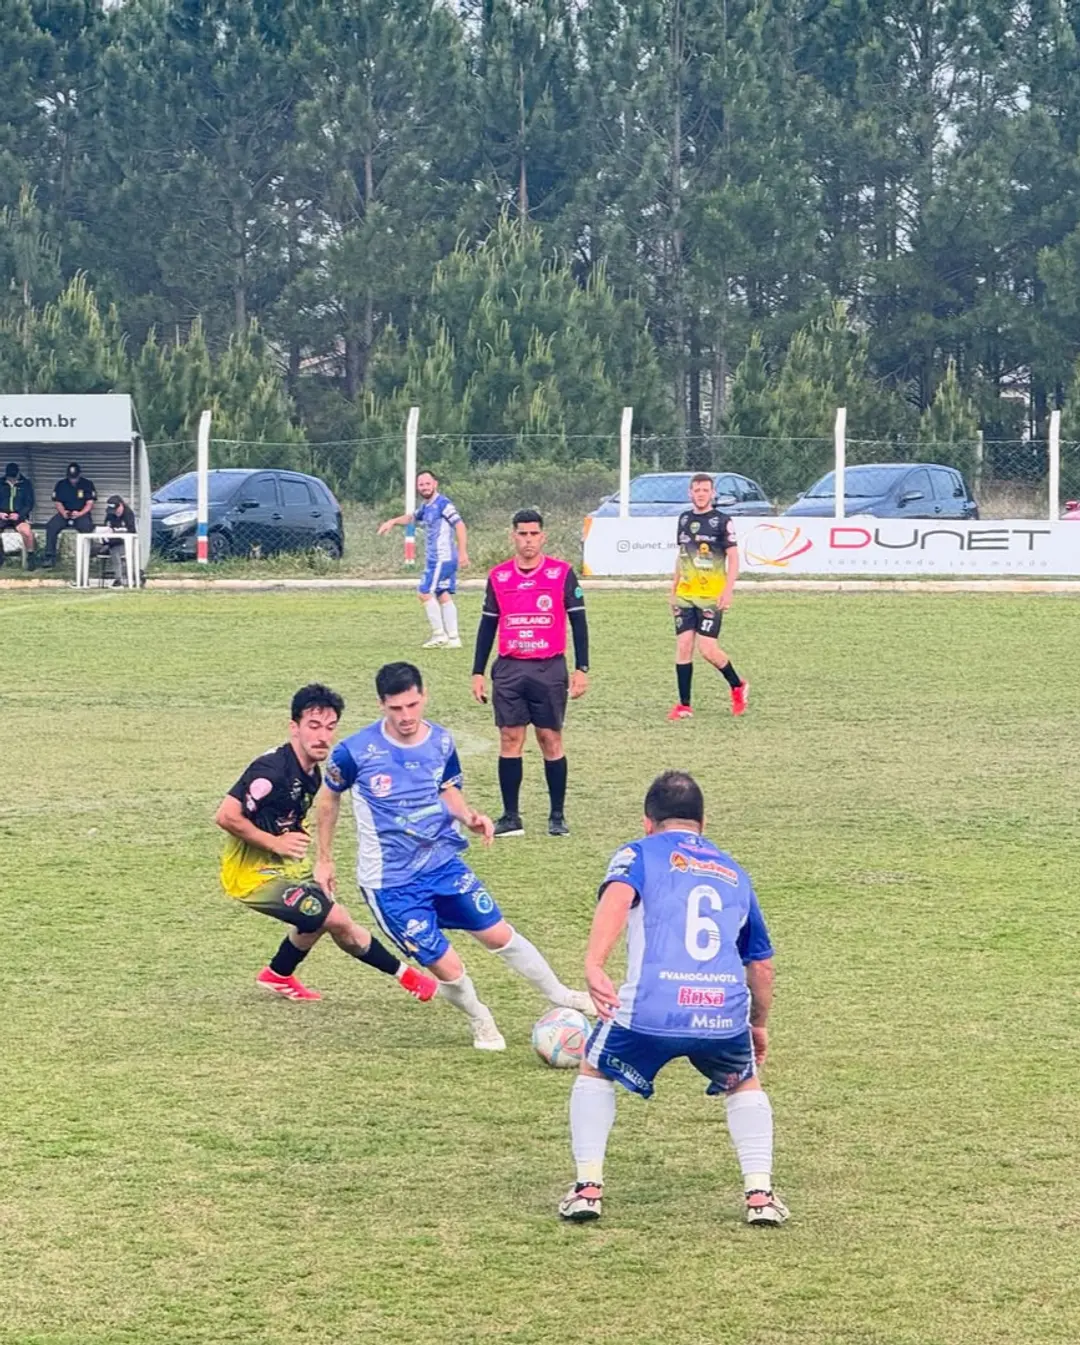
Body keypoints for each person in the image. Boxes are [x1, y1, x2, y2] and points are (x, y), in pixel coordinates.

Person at [314, 661, 593, 1051]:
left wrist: (469, 817)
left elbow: (447, 789)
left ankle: (561, 994)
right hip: (392, 884)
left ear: (424, 696)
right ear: (381, 705)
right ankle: (481, 1018)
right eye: (396, 708)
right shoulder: (354, 752)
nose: (406, 716)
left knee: (499, 934)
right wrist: (324, 858)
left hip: (443, 864)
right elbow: (328, 800)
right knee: (449, 966)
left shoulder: (441, 742)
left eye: (412, 705)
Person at [558, 770, 787, 1228]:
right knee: (744, 1082)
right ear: (703, 822)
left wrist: (594, 962)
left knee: (594, 1068)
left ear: (648, 822)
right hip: (722, 1014)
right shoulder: (735, 871)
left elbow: (618, 896)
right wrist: (758, 1025)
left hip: (651, 1008)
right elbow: (760, 965)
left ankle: (587, 1189)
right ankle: (760, 1196)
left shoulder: (637, 853)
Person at [215, 682, 438, 1004]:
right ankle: (408, 977)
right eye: (314, 726)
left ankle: (278, 974)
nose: (323, 736)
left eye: (330, 727)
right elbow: (226, 816)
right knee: (335, 918)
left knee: (320, 913)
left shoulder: (311, 772)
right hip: (251, 876)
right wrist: (275, 844)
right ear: (294, 727)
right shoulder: (271, 772)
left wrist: (317, 859)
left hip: (285, 866)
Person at [471, 509, 589, 838]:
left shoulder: (562, 573)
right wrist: (477, 671)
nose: (528, 540)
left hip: (549, 667)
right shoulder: (498, 577)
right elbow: (487, 625)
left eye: (534, 534)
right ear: (513, 536)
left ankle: (557, 815)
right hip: (510, 668)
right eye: (522, 534)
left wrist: (582, 668)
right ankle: (511, 816)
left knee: (550, 738)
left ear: (543, 537)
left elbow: (579, 622)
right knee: (510, 738)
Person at [669, 472, 748, 720]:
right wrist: (673, 589)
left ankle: (737, 685)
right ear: (690, 493)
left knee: (708, 649)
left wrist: (728, 590)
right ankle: (684, 705)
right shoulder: (684, 519)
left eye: (705, 490)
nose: (701, 494)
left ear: (712, 493)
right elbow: (681, 556)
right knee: (683, 645)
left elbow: (733, 558)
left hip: (711, 595)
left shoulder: (722, 521)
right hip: (685, 594)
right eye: (697, 490)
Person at [378, 470, 469, 649]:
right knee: (442, 594)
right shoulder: (426, 506)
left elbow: (459, 525)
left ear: (435, 484)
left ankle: (439, 635)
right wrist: (392, 521)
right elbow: (412, 517)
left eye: (428, 483)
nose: (424, 487)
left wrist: (463, 552)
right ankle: (454, 638)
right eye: (421, 484)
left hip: (442, 557)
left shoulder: (443, 504)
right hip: (439, 558)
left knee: (424, 592)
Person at [42, 461, 97, 568]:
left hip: (81, 513)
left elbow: (90, 503)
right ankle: (49, 556)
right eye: (71, 477)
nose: (73, 480)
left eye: (75, 477)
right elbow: (57, 502)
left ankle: (89, 555)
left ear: (79, 475)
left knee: (87, 527)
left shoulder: (87, 484)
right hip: (65, 513)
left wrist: (80, 513)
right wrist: (63, 512)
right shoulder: (61, 484)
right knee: (51, 526)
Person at [0, 460, 36, 569]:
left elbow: (29, 503)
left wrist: (19, 515)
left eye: (13, 477)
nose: (12, 479)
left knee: (27, 532)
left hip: (19, 515)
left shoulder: (26, 484)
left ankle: (31, 557)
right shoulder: (1, 483)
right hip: (2, 515)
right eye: (9, 477)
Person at [101, 494, 138, 586]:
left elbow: (131, 531)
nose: (115, 513)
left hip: (126, 543)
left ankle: (118, 579)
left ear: (121, 505)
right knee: (93, 549)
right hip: (111, 542)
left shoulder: (128, 514)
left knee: (115, 551)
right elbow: (106, 527)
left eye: (116, 510)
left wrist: (116, 531)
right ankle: (82, 579)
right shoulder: (110, 515)